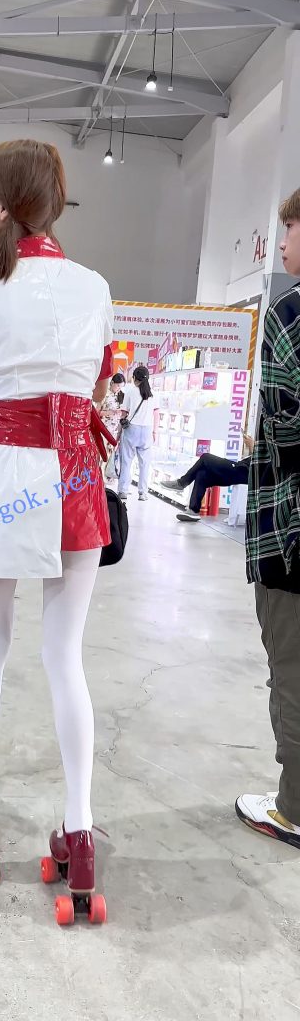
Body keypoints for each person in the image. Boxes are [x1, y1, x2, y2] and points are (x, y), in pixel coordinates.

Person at [0, 139, 115, 919]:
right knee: (64, 656)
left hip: (9, 471)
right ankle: (79, 834)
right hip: (76, 477)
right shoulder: (94, 287)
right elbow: (98, 388)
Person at [236, 188, 300, 847]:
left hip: (291, 530)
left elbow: (284, 427)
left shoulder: (292, 313)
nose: (281, 242)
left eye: (290, 228)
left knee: (292, 668)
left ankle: (294, 807)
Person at [162, 438, 254, 521]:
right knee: (202, 474)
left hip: (243, 471)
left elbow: (260, 462)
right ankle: (193, 511)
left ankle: (181, 483)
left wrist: (252, 445)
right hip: (240, 470)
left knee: (206, 457)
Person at [117, 365, 159, 502]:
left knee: (126, 461)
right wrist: (155, 432)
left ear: (134, 378)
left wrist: (119, 432)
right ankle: (143, 493)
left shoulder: (130, 391)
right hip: (147, 430)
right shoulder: (153, 394)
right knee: (145, 464)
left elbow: (124, 413)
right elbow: (156, 414)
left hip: (131, 429)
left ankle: (123, 490)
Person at [99, 372, 125, 481]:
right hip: (103, 431)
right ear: (112, 383)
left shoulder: (120, 396)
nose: (119, 388)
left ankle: (104, 480)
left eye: (121, 386)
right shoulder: (104, 394)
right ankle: (99, 480)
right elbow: (97, 412)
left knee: (109, 457)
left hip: (114, 432)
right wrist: (112, 412)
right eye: (118, 385)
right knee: (101, 456)